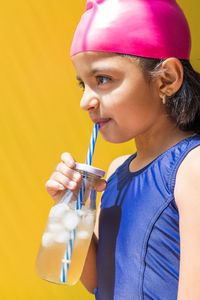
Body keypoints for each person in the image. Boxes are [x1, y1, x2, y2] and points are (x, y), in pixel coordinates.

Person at [45, 0, 200, 299]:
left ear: (166, 79)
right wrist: (71, 208)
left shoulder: (191, 168)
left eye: (102, 79)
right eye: (83, 84)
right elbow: (99, 280)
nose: (86, 101)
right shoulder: (116, 171)